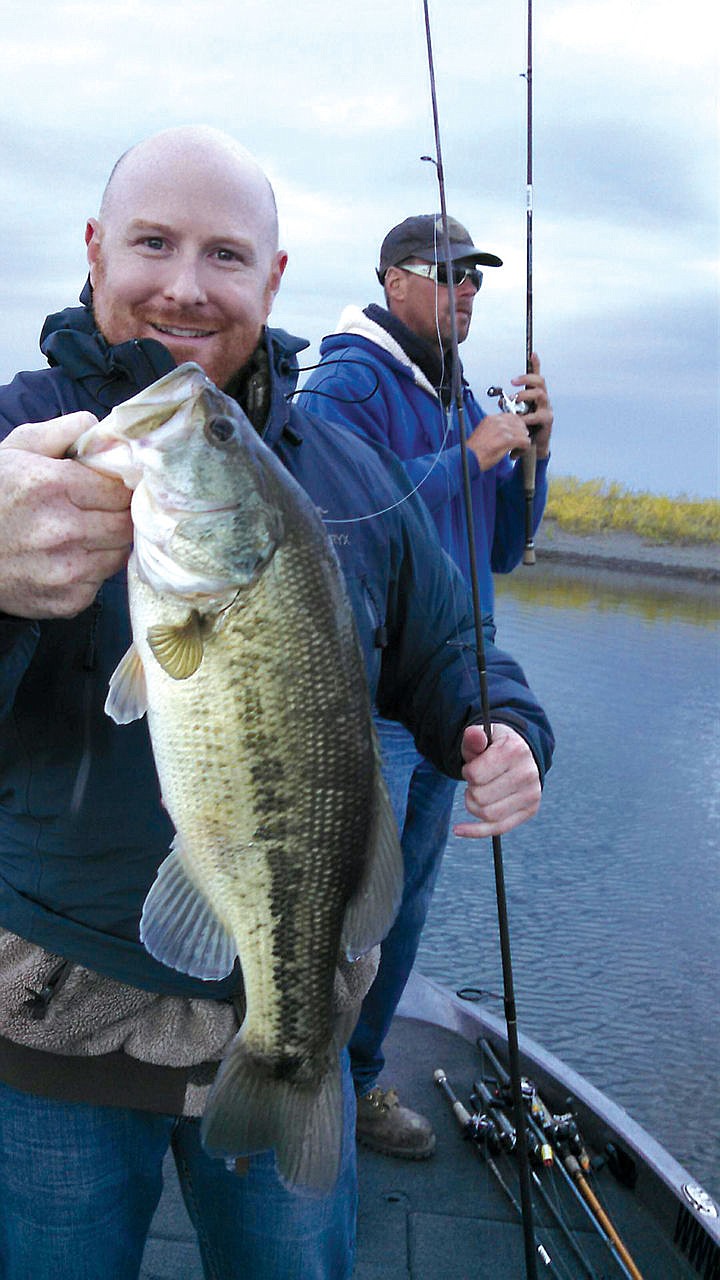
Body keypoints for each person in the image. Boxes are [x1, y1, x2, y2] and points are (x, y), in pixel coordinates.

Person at [0, 128, 553, 1280]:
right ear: (96, 249)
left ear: (276, 278)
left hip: (281, 993)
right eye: (153, 242)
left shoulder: (342, 469)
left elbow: (456, 642)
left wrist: (501, 726)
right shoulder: (17, 438)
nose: (185, 284)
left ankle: (296, 1065)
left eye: (226, 254)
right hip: (52, 1029)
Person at [298, 214, 554, 1159]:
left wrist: (529, 452)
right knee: (339, 903)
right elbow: (334, 509)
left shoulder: (460, 397)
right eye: (447, 273)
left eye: (477, 277)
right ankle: (303, 1072)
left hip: (456, 692)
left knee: (403, 911)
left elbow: (500, 553)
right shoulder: (347, 381)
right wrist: (470, 455)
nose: (468, 291)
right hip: (374, 698)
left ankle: (354, 1084)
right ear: (393, 281)